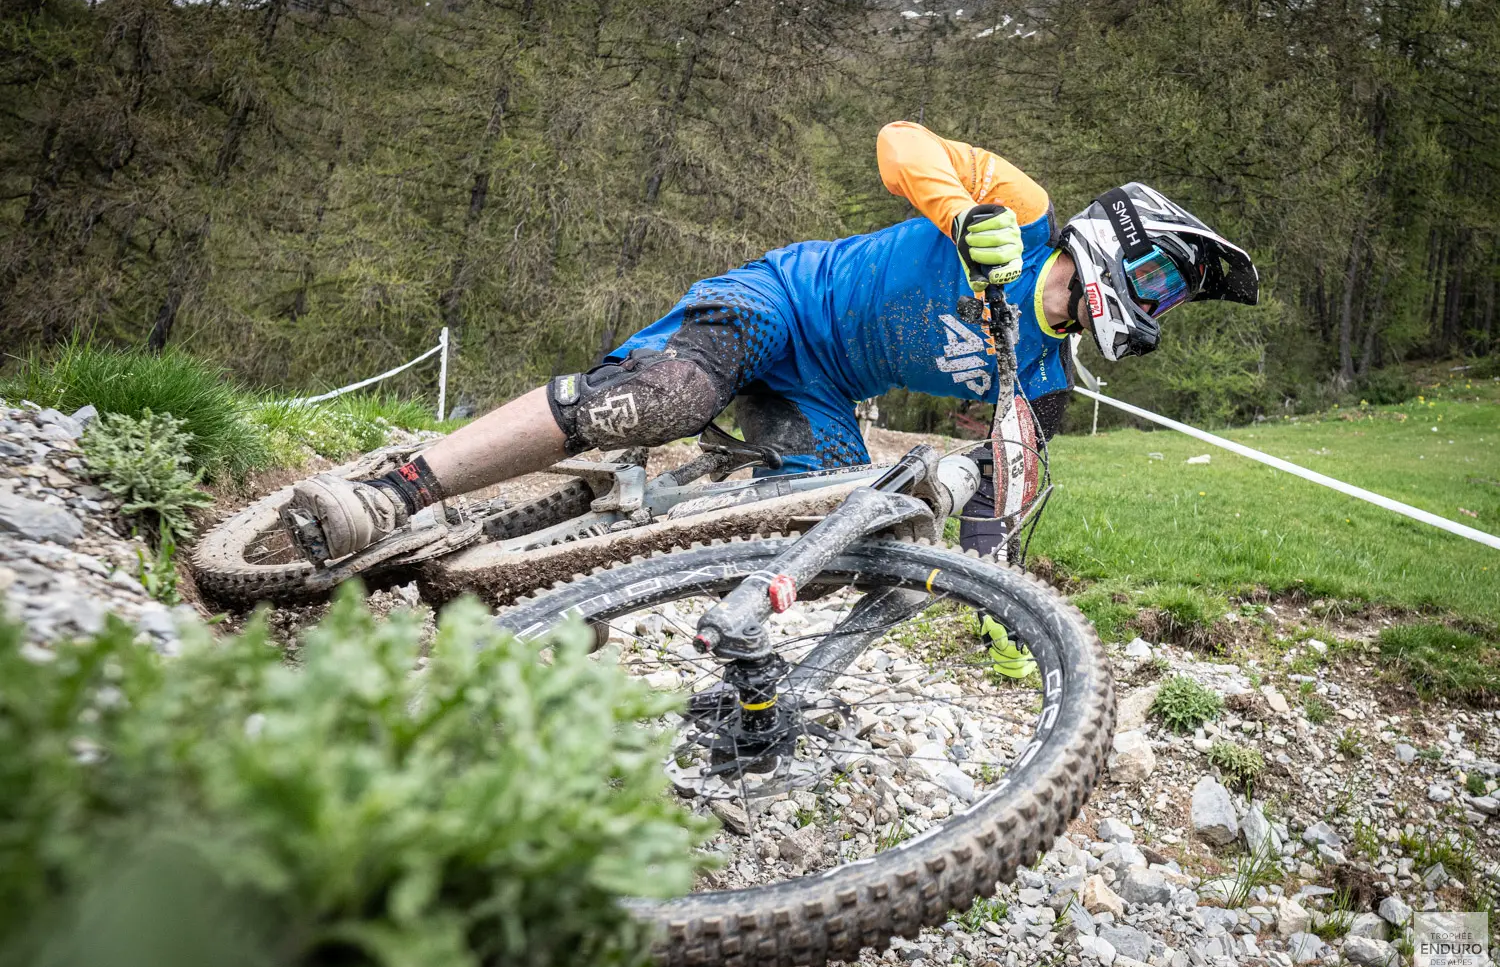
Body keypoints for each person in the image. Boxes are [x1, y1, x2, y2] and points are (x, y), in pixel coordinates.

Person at [283, 121, 1258, 568]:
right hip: (781, 303)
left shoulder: (1042, 374)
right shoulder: (1028, 212)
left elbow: (1002, 493)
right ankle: (397, 489)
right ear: (1120, 240)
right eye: (1165, 280)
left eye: (1176, 301)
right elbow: (899, 142)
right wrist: (963, 215)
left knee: (839, 529)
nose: (1162, 307)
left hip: (828, 398)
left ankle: (595, 568)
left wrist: (971, 555)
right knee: (652, 400)